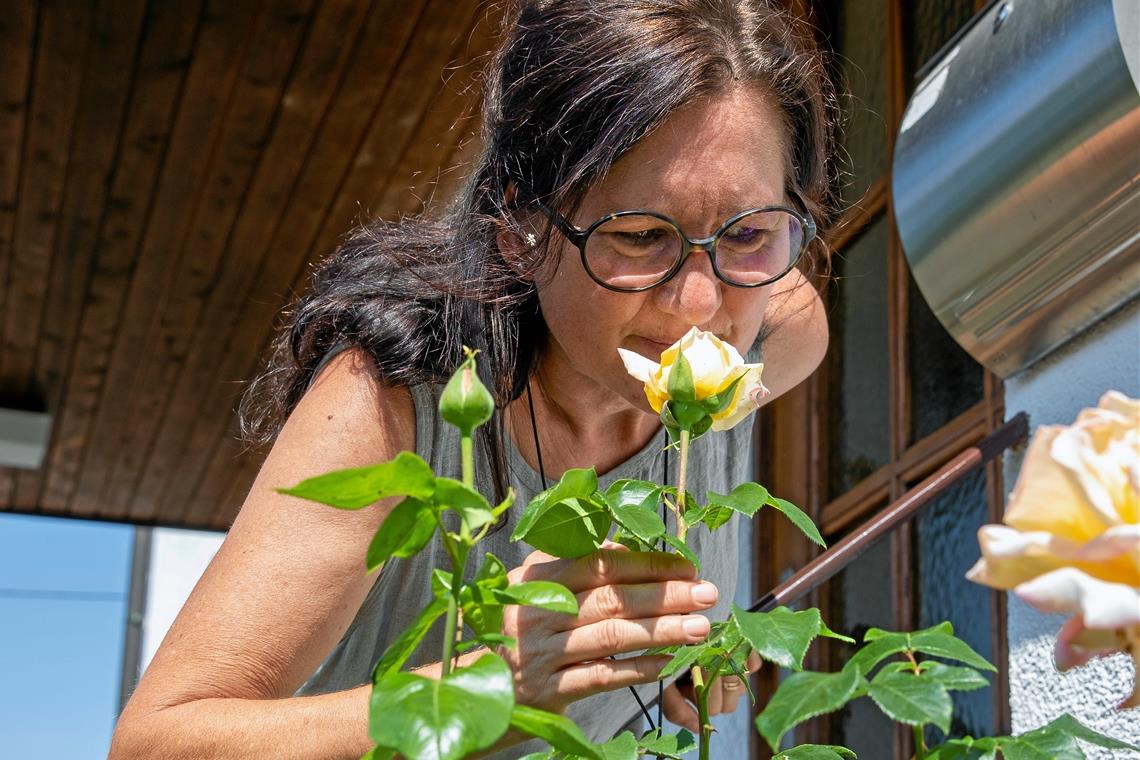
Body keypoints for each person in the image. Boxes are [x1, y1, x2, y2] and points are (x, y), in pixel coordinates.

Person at [110, 1, 839, 757]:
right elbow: (157, 742)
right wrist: (487, 685)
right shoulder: (393, 403)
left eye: (747, 233)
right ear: (518, 230)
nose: (701, 309)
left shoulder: (777, 328)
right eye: (640, 237)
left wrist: (678, 647)